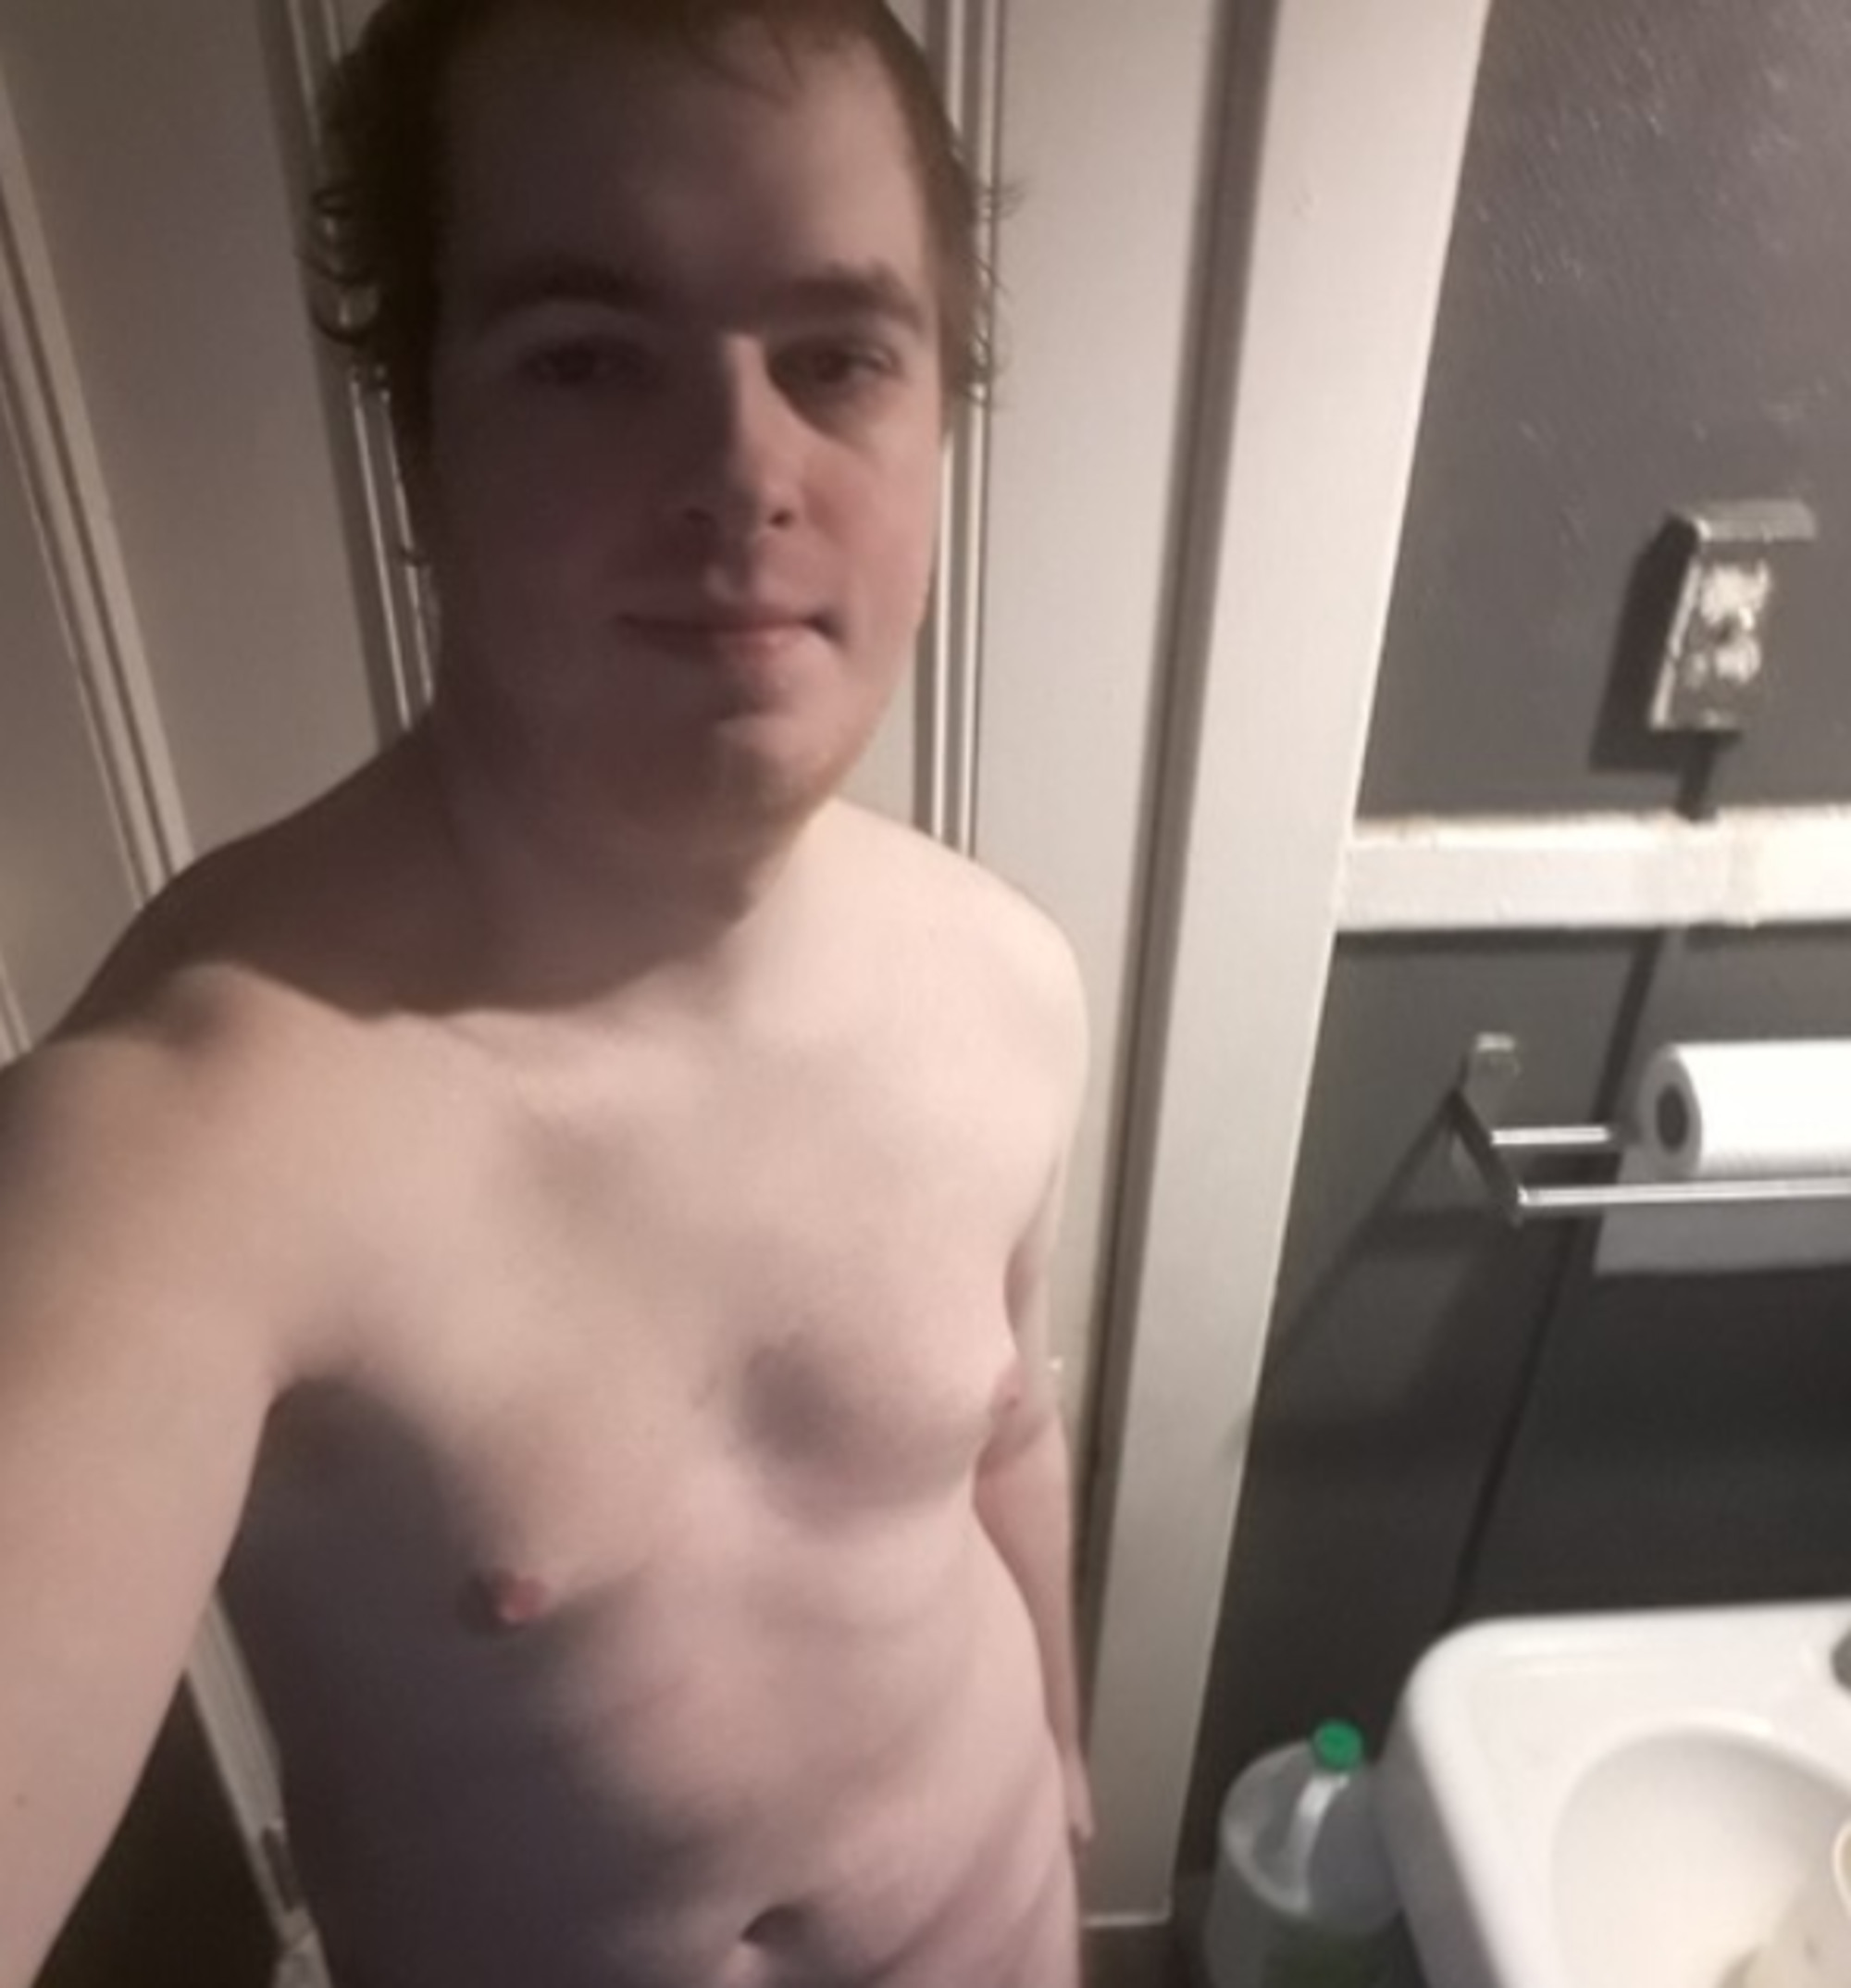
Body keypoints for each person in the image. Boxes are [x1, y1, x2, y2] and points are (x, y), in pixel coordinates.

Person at [0, 1, 1093, 1983]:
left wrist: (1073, 1755)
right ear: (421, 445)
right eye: (587, 357)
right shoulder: (180, 1144)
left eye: (837, 356)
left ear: (936, 422)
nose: (742, 470)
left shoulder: (1007, 980)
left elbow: (1008, 1431)